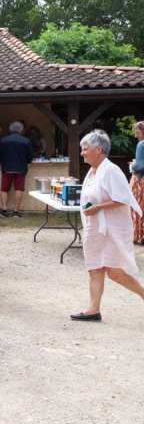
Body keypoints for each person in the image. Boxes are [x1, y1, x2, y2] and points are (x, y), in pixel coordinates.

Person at [71, 130, 144, 321]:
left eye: (85, 149)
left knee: (115, 272)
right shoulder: (93, 170)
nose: (82, 153)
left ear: (99, 150)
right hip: (95, 229)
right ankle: (93, 309)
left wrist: (97, 208)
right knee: (94, 267)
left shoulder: (111, 170)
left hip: (111, 229)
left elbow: (123, 199)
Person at [0, 121, 34, 217]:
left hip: (6, 168)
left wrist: (1, 164)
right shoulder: (26, 141)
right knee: (19, 189)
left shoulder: (3, 140)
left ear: (10, 129)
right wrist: (27, 162)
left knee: (4, 189)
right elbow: (30, 157)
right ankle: (16, 211)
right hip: (21, 169)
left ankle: (4, 209)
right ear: (21, 130)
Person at [129, 121, 144, 244]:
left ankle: (138, 235)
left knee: (137, 207)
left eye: (137, 132)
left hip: (140, 181)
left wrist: (133, 165)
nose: (135, 136)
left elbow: (139, 167)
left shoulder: (141, 144)